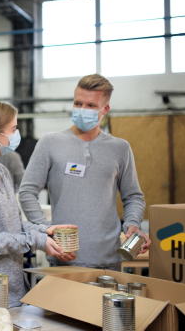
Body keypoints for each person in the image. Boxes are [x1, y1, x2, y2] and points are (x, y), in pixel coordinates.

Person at [19, 74, 150, 271]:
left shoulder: (120, 148)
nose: (82, 110)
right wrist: (45, 229)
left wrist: (132, 224)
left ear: (105, 109)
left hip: (109, 260)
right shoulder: (50, 143)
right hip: (64, 258)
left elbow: (133, 196)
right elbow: (27, 192)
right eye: (78, 103)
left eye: (90, 106)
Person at [0, 101, 75, 309]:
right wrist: (36, 241)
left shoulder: (1, 171)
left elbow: (15, 224)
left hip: (12, 285)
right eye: (13, 129)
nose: (16, 134)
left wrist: (45, 231)